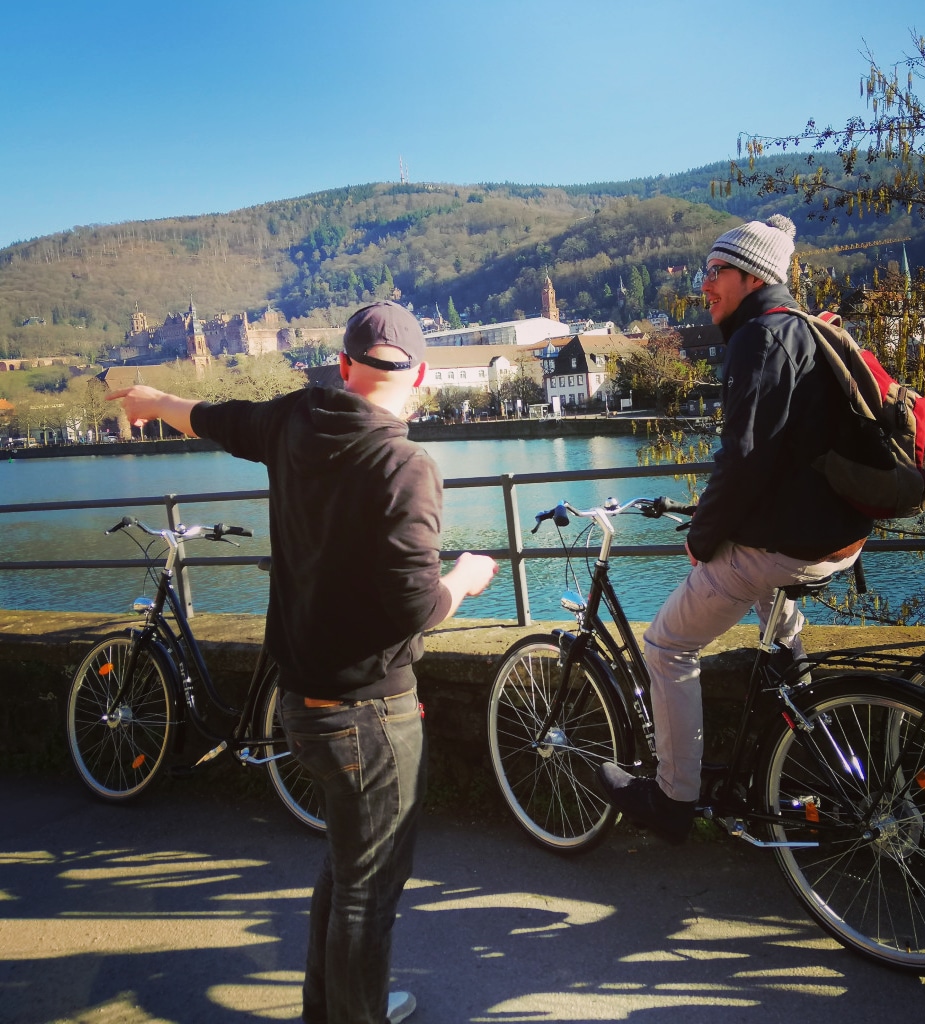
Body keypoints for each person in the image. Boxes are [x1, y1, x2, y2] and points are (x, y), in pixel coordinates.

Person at [107, 300, 498, 1024]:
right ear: (418, 376)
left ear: (344, 366)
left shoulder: (297, 419)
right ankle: (357, 1014)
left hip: (301, 701)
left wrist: (157, 400)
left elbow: (216, 418)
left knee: (350, 867)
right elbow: (417, 607)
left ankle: (341, 1006)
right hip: (369, 709)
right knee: (371, 884)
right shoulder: (405, 464)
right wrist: (467, 579)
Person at [595, 215, 873, 843]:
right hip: (834, 537)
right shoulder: (806, 330)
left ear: (752, 277)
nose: (705, 286)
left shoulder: (760, 339)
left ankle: (673, 798)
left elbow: (742, 459)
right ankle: (802, 767)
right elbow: (779, 456)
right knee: (777, 645)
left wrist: (700, 540)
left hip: (786, 544)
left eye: (714, 272)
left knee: (666, 646)